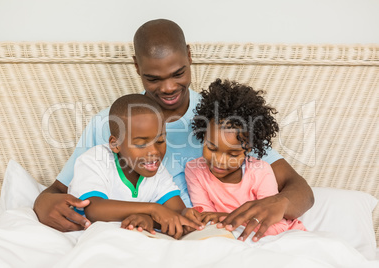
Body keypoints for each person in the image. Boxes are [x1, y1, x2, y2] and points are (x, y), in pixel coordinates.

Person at [33, 19, 314, 242]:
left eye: (178, 73)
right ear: (136, 67)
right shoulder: (111, 122)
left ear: (190, 56)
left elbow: (300, 189)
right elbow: (59, 190)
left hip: (199, 233)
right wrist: (43, 202)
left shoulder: (219, 119)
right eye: (153, 78)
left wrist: (279, 202)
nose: (167, 88)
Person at [183, 79, 307, 241]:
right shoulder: (195, 170)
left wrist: (223, 218)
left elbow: (275, 226)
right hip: (232, 237)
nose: (219, 160)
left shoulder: (260, 171)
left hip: (280, 236)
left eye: (232, 154)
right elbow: (205, 218)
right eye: (211, 148)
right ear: (203, 136)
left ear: (248, 149)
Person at [68, 94, 202, 239]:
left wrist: (183, 215)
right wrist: (152, 209)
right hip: (92, 239)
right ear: (115, 144)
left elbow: (176, 211)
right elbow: (94, 209)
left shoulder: (157, 171)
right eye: (141, 143)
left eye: (160, 140)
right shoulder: (94, 160)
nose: (154, 152)